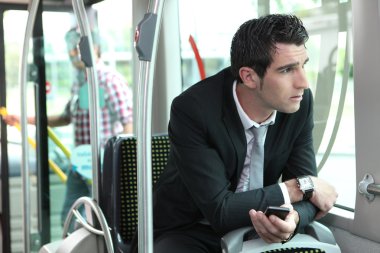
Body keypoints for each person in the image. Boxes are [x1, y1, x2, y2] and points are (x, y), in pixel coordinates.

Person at [133, 14, 338, 253]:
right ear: (249, 76)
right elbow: (221, 210)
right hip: (190, 229)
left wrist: (292, 220)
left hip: (259, 226)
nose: (303, 82)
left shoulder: (298, 104)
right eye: (286, 70)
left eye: (303, 65)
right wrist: (300, 187)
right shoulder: (193, 110)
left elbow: (310, 197)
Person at [3, 28, 133, 225]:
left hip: (102, 164)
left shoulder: (110, 81)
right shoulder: (78, 83)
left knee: (103, 220)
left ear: (95, 48)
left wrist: (120, 164)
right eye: (70, 48)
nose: (71, 52)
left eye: (76, 47)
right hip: (81, 163)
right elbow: (64, 118)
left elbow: (128, 124)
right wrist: (21, 119)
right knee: (69, 217)